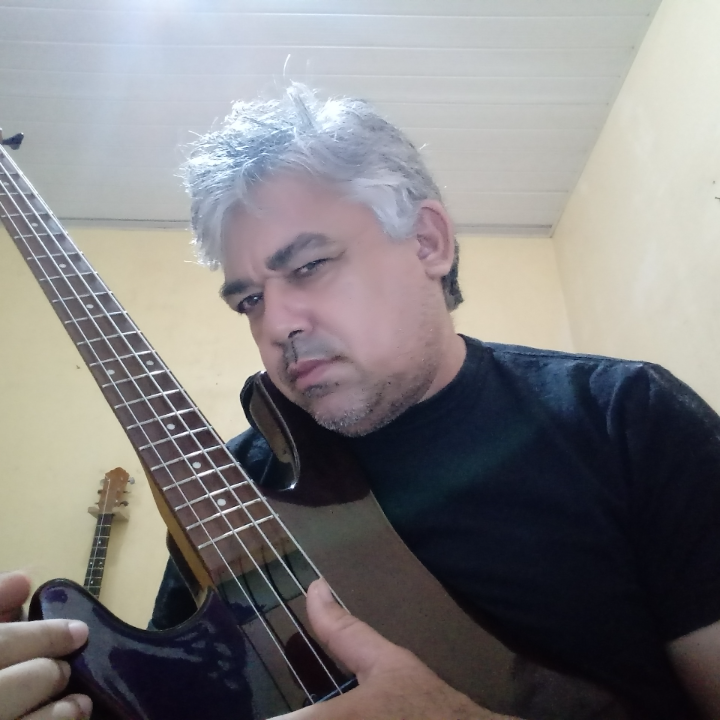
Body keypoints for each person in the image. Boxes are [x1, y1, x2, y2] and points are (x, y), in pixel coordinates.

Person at [2, 84, 720, 719]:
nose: (276, 324)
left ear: (428, 242)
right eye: (249, 300)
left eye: (309, 265)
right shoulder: (226, 485)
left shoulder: (625, 415)